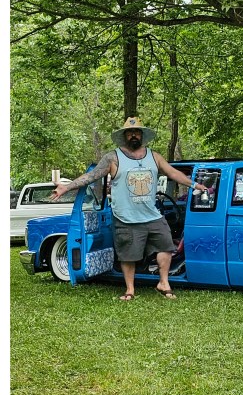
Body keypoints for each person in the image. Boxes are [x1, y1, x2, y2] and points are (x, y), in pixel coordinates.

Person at [51, 117, 208, 301]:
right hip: (126, 217)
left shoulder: (154, 156)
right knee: (128, 255)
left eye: (137, 132)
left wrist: (194, 184)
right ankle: (130, 290)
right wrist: (66, 187)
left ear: (142, 135)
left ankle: (163, 283)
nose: (134, 135)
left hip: (151, 215)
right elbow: (91, 176)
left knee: (165, 245)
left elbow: (173, 173)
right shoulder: (113, 157)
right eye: (130, 132)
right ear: (125, 136)